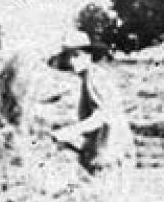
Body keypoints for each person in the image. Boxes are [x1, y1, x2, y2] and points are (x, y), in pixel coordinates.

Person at [45, 31, 135, 174]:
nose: (71, 61)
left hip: (111, 152)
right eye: (68, 56)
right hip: (105, 149)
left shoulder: (96, 77)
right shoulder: (88, 78)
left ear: (89, 55)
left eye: (76, 55)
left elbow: (102, 117)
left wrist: (69, 132)